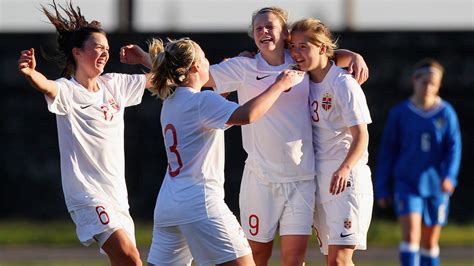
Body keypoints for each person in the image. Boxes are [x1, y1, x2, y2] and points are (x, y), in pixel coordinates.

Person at [120, 7, 368, 265]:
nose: (263, 31)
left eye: (270, 26)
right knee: (256, 255)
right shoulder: (244, 66)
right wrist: (147, 60)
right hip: (259, 177)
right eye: (258, 28)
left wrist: (351, 55)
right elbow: (190, 75)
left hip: (300, 176)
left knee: (293, 259)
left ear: (285, 34)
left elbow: (322, 57)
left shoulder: (300, 61)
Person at [144, 37, 305, 266]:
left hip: (168, 205)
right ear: (196, 67)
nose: (210, 62)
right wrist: (280, 84)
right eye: (205, 58)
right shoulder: (201, 102)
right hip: (200, 203)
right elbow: (247, 115)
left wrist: (229, 80)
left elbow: (206, 115)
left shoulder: (171, 103)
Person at [17, 1, 151, 265]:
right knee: (129, 257)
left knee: (126, 261)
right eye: (98, 47)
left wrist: (144, 59)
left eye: (107, 49)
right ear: (77, 52)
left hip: (116, 195)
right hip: (87, 194)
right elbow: (46, 86)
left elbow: (164, 79)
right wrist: (31, 73)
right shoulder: (68, 90)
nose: (104, 53)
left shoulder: (115, 85)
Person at [289, 18, 373, 266]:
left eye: (303, 46)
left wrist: (344, 168)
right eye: (293, 46)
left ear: (323, 49)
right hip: (318, 179)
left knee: (340, 259)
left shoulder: (343, 83)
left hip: (345, 180)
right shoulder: (301, 79)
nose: (295, 52)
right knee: (329, 258)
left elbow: (362, 136)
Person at [375, 59, 462, 266]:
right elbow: (388, 151)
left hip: (436, 185)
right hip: (407, 183)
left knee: (430, 240)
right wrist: (382, 186)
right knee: (411, 234)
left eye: (433, 83)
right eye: (424, 82)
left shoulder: (446, 113)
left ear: (439, 85)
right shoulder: (400, 113)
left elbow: (454, 148)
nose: (428, 87)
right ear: (415, 81)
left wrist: (449, 176)